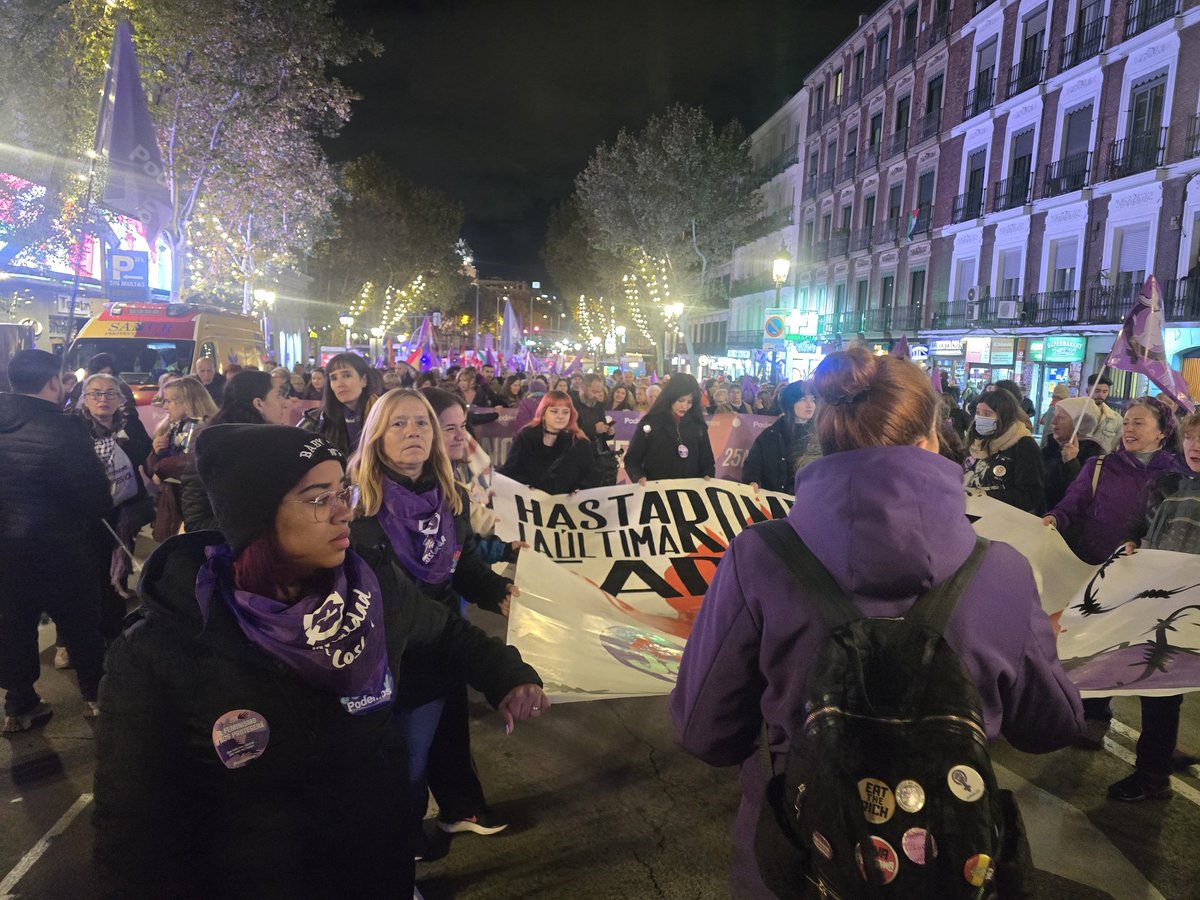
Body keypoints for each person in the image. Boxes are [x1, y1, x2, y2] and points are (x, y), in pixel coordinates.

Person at [669, 347, 1084, 898]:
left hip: (800, 862)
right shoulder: (1002, 570)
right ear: (933, 433)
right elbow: (1050, 726)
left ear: (827, 436)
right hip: (949, 862)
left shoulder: (758, 559)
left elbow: (704, 732)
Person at [93, 424, 547, 897]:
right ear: (258, 517)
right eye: (317, 498)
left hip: (378, 860)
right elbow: (132, 834)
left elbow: (449, 631)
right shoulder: (163, 649)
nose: (343, 512)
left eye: (342, 492)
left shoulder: (373, 587)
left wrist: (508, 677)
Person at [347, 390, 520, 845]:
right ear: (376, 435)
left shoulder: (449, 495)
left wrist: (495, 591)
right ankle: (395, 853)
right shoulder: (356, 506)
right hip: (388, 653)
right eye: (399, 424)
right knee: (401, 761)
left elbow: (457, 564)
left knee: (441, 740)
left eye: (422, 423)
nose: (412, 433)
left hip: (442, 639)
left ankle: (448, 815)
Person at [1044, 396, 1178, 749]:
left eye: (1139, 423)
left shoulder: (1176, 474)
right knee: (1095, 644)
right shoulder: (1101, 465)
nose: (1129, 429)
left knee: (1145, 652)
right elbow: (1073, 503)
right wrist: (1055, 518)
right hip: (1098, 569)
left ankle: (1158, 740)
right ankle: (1093, 714)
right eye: (1127, 422)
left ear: (1162, 432)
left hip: (1150, 579)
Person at [1, 350, 111, 733]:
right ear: (52, 382)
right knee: (80, 621)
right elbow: (95, 497)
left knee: (13, 624)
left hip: (5, 551)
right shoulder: (65, 428)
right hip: (60, 548)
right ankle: (94, 696)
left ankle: (18, 703)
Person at [1107, 411, 1200, 801]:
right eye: (1193, 438)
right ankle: (1153, 771)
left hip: (1191, 607)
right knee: (1159, 690)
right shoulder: (1170, 483)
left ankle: (1153, 769)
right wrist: (1134, 540)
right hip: (1163, 606)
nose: (1197, 447)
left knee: (1165, 690)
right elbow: (1143, 523)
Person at [75, 373, 156, 640]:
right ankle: (77, 636)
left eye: (110, 393)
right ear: (85, 398)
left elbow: (146, 457)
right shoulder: (73, 427)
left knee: (117, 568)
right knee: (88, 571)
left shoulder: (130, 425)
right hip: (86, 513)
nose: (103, 399)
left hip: (124, 512)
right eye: (95, 393)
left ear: (121, 398)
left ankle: (113, 633)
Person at [180, 370, 291, 533]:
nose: (284, 403)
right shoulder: (212, 446)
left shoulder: (273, 442)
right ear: (259, 404)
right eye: (277, 396)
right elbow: (196, 522)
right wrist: (265, 520)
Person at [963, 384, 1045, 514]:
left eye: (987, 413)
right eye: (978, 412)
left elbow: (1031, 495)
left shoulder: (1023, 444)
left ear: (1003, 415)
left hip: (1002, 521)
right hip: (969, 514)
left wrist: (986, 496)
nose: (980, 418)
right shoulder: (976, 440)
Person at [499, 390, 599, 494]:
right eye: (554, 411)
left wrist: (579, 490)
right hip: (531, 505)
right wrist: (525, 486)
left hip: (566, 507)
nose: (560, 416)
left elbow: (590, 477)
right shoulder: (526, 437)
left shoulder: (579, 442)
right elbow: (510, 471)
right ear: (543, 414)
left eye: (565, 412)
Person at [624, 373, 715, 483]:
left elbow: (707, 461)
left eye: (690, 402)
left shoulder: (698, 425)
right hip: (657, 492)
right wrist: (638, 476)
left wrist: (707, 475)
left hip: (689, 493)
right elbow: (632, 460)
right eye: (681, 400)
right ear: (670, 396)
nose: (685, 406)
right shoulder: (650, 422)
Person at [742, 380, 820, 494]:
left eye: (812, 400)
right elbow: (753, 464)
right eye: (803, 399)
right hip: (776, 504)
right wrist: (752, 481)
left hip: (809, 502)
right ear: (790, 403)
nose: (810, 405)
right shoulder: (771, 434)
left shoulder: (821, 436)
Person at [298, 351, 381, 455]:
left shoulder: (386, 415)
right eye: (333, 378)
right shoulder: (317, 419)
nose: (340, 384)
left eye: (346, 375)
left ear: (363, 380)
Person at [1041, 397, 1104, 510]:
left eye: (1061, 418)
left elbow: (1082, 494)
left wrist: (1071, 463)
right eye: (1054, 416)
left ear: (1079, 423)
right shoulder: (1051, 446)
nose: (1053, 422)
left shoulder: (1094, 455)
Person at [574, 373, 615, 444]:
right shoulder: (572, 404)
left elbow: (602, 435)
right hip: (580, 449)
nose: (596, 395)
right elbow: (570, 432)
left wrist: (609, 432)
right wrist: (593, 429)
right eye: (594, 391)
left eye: (599, 392)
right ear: (583, 387)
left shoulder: (598, 405)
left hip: (597, 450)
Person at [1088, 373, 1124, 452]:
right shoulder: (1076, 412)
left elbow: (1117, 448)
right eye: (1097, 391)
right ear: (1087, 390)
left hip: (1101, 462)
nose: (1100, 395)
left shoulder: (1116, 419)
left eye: (1105, 392)